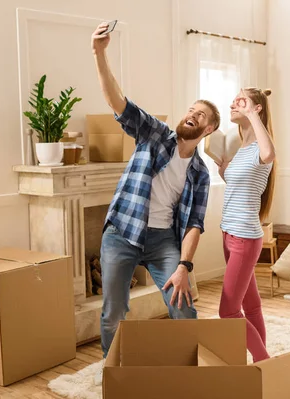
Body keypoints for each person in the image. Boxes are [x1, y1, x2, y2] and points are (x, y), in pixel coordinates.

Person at [91, 23, 220, 360]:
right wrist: (99, 53)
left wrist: (184, 267)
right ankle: (112, 371)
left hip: (163, 240)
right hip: (122, 233)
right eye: (191, 109)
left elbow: (194, 224)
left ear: (208, 129)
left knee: (183, 307)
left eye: (200, 115)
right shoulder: (155, 134)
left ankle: (189, 371)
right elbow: (118, 102)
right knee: (114, 313)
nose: (192, 115)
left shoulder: (200, 174)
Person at [215, 88, 276, 362]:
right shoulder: (241, 148)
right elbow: (244, 189)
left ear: (257, 109)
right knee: (251, 307)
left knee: (227, 311)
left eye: (240, 101)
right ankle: (261, 362)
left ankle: (265, 364)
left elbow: (269, 153)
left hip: (244, 238)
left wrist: (251, 112)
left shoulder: (262, 145)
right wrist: (225, 173)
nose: (232, 104)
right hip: (229, 233)